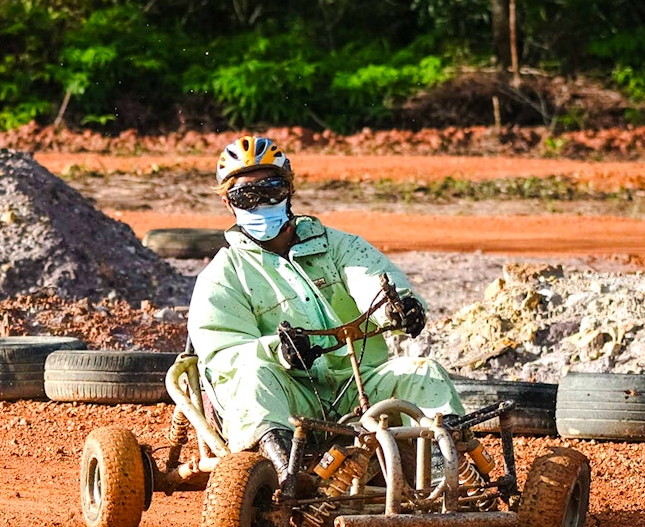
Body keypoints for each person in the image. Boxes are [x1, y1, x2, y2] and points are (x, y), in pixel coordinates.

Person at [187, 135, 469, 482]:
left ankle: (447, 482)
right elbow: (221, 355)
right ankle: (285, 481)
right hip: (290, 396)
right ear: (230, 204)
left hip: (357, 386)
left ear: (288, 191)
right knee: (251, 379)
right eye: (247, 195)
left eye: (271, 190)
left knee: (424, 373)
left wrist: (396, 310)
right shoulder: (223, 274)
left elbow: (372, 281)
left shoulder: (339, 246)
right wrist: (279, 351)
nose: (261, 203)